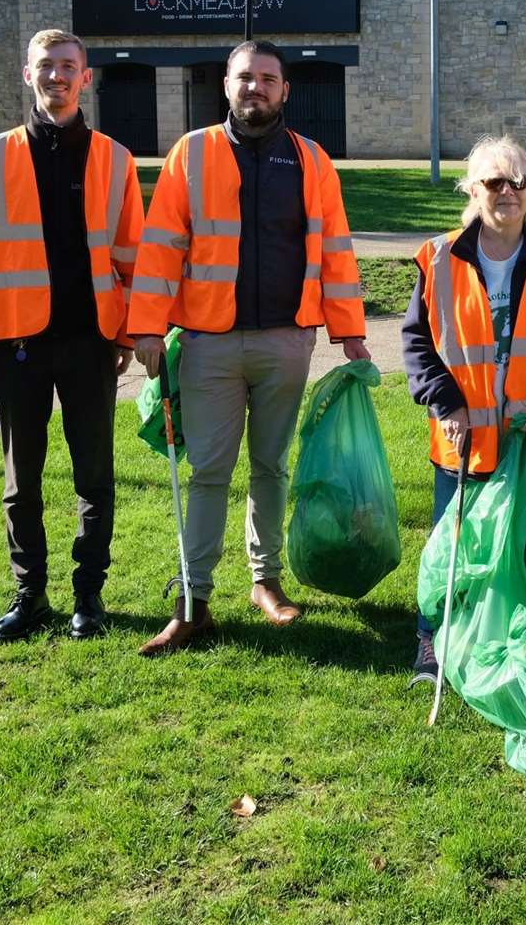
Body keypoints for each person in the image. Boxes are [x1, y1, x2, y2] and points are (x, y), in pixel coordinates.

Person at [130, 40, 370, 655]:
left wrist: (350, 332)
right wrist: (148, 327)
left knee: (271, 466)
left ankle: (267, 583)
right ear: (226, 86)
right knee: (208, 473)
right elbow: (159, 250)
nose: (255, 88)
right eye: (245, 77)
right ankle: (194, 601)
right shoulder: (193, 152)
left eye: (267, 78)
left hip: (287, 340)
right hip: (208, 343)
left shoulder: (312, 160)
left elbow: (336, 250)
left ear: (285, 90)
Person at [0, 28, 144, 642]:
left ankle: (89, 595)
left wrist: (135, 331)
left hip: (91, 342)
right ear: (27, 74)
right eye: (45, 66)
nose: (56, 76)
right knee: (20, 481)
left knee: (94, 476)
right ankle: (30, 594)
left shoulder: (115, 158)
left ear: (86, 78)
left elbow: (135, 258)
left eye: (68, 66)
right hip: (14, 343)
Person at [400, 135, 526, 683]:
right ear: (472, 189)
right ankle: (434, 639)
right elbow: (417, 342)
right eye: (494, 181)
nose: (507, 191)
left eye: (518, 181)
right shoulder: (438, 257)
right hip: (461, 435)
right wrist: (445, 403)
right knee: (452, 536)